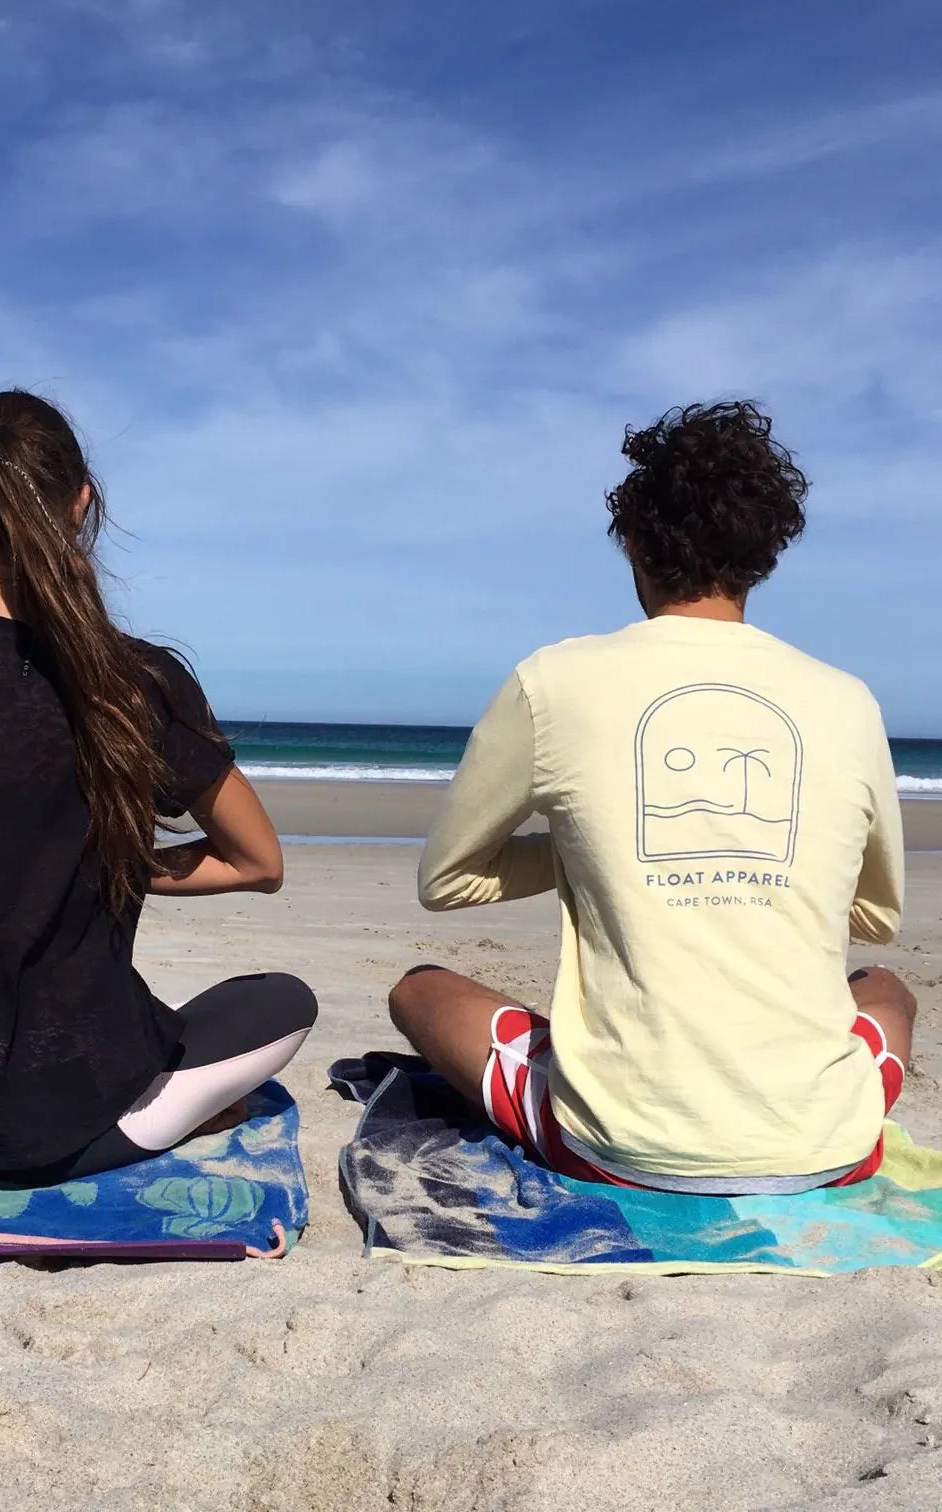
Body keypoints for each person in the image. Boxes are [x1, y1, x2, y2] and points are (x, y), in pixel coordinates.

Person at [0, 389, 316, 1185]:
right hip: (78, 1114)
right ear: (82, 502)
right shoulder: (138, 679)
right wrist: (102, 862)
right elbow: (257, 864)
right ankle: (157, 1121)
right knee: (283, 1002)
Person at [390, 401, 911, 1194]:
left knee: (418, 989)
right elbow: (874, 917)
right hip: (830, 1147)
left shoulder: (554, 681)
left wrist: (593, 848)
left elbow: (446, 882)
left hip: (617, 1151)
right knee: (886, 989)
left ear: (633, 542)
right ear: (765, 552)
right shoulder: (849, 701)